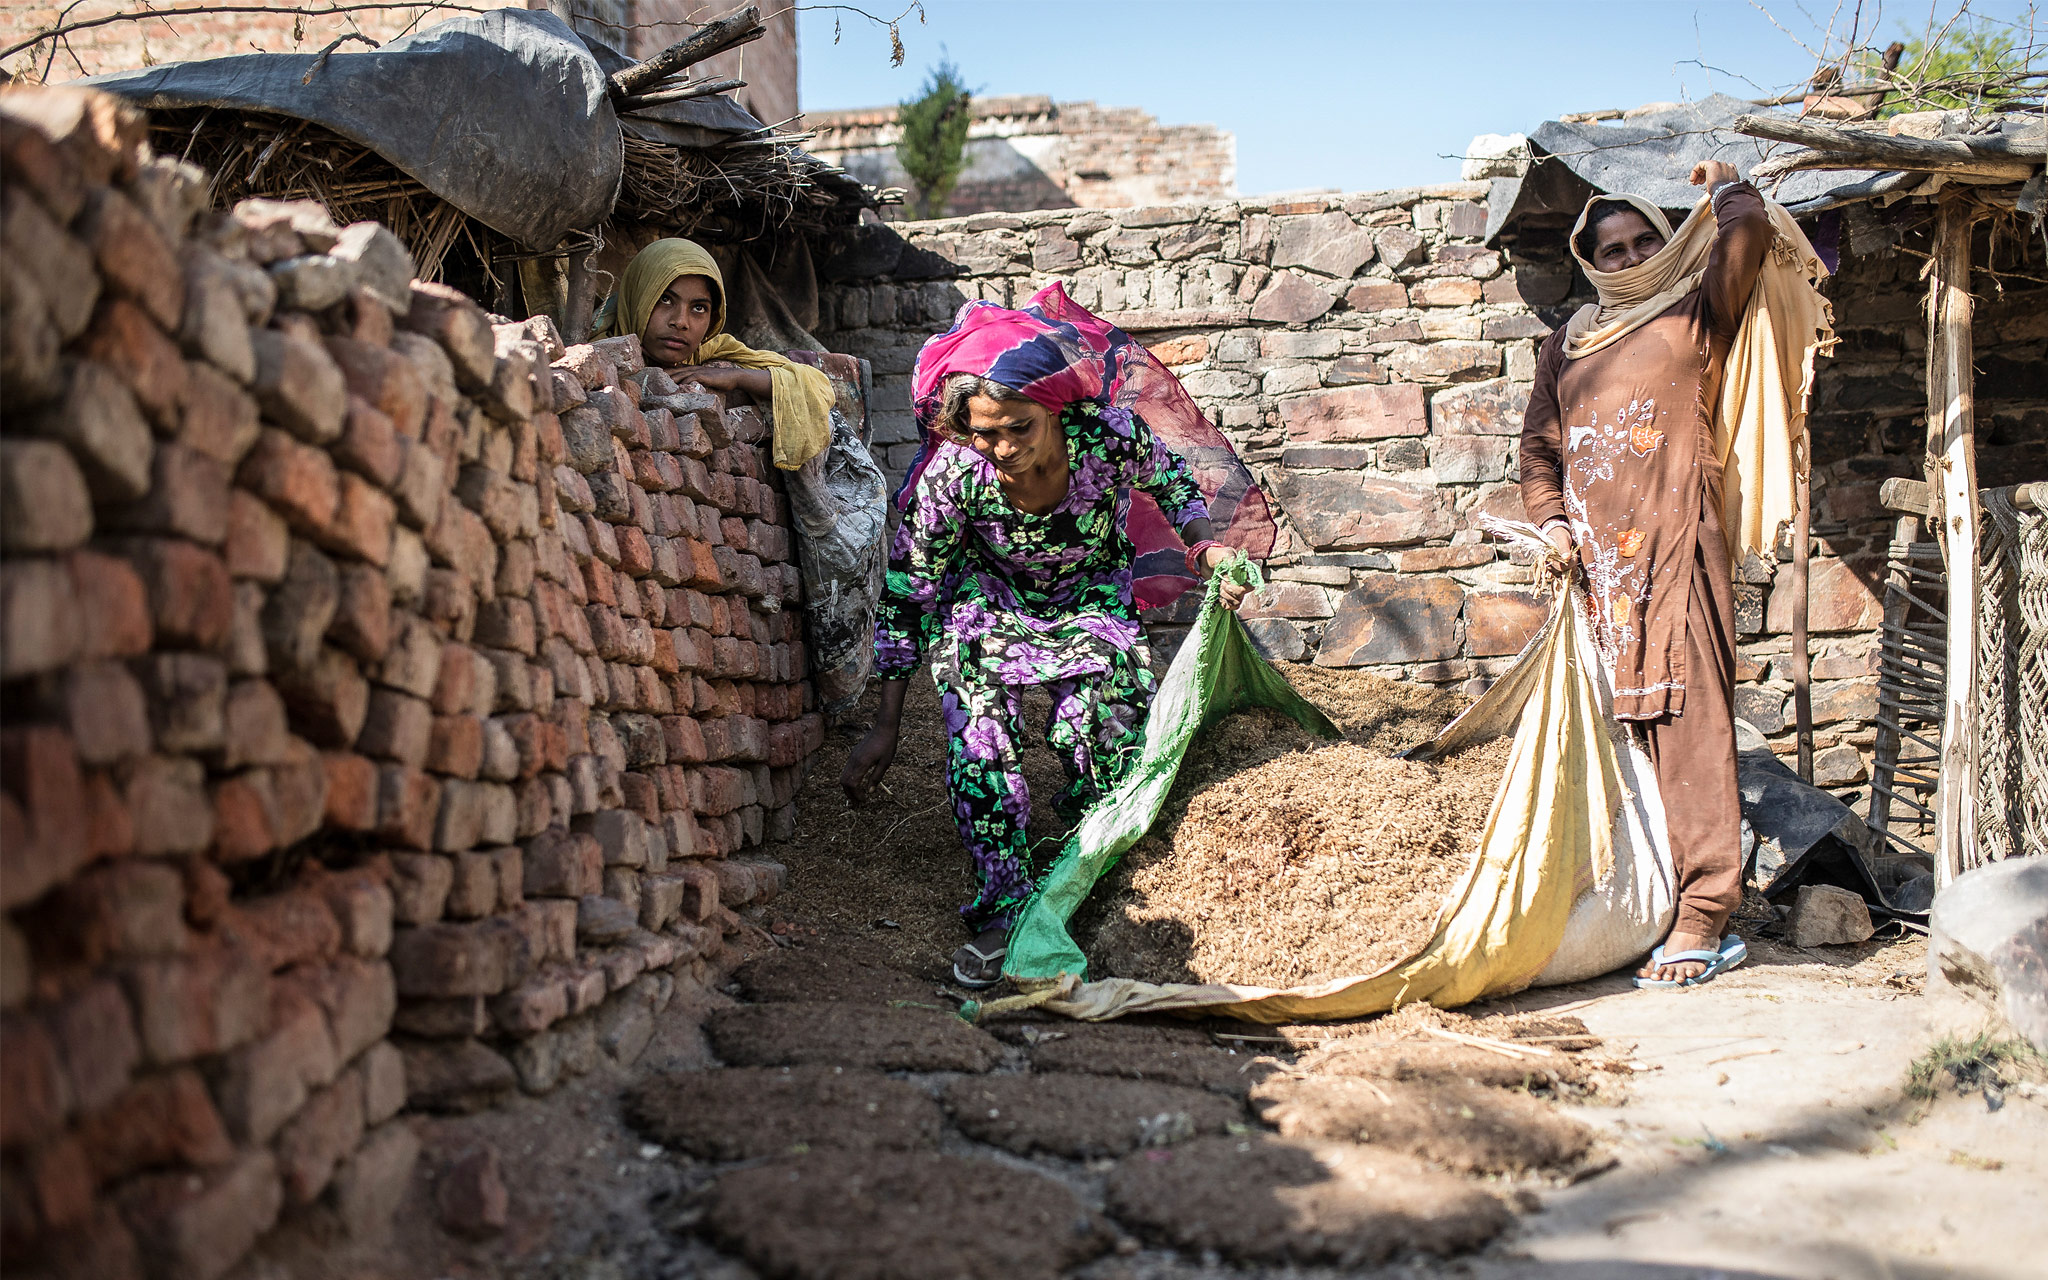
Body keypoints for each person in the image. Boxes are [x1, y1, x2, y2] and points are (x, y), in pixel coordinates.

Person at [839, 284, 1270, 988]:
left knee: (1104, 731)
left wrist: (1207, 549)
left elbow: (1176, 489)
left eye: (1018, 428)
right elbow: (911, 589)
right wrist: (885, 723)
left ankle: (1086, 872)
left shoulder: (1108, 438)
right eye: (984, 431)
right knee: (980, 742)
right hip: (990, 603)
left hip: (1090, 595)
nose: (1001, 447)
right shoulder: (954, 475)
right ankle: (1003, 907)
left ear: (1057, 414)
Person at [1520, 159, 1799, 988]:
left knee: (1692, 722)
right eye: (1610, 249)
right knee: (1625, 738)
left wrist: (1728, 186)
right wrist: (1553, 523)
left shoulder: (1694, 313)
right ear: (1587, 261)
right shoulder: (1566, 343)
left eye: (1645, 238)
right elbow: (1540, 449)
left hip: (1678, 544)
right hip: (1598, 572)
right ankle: (1649, 906)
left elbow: (1745, 240)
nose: (1628, 255)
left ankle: (1708, 914)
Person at [592, 237, 836, 471]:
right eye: (665, 299)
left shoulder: (712, 350)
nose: (680, 322)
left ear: (714, 317)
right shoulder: (596, 355)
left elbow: (816, 385)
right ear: (638, 297)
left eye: (699, 308)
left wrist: (738, 377)